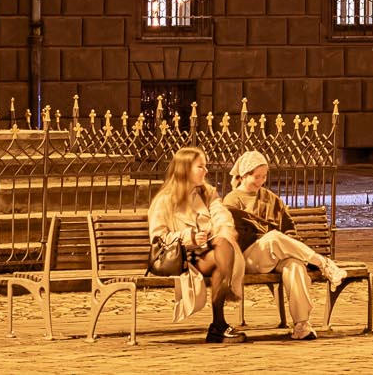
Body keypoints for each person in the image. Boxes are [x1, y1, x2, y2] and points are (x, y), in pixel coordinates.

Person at [223, 149, 354, 341]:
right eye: (257, 177)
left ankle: (302, 324)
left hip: (275, 254)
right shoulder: (232, 200)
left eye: (264, 176)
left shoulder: (271, 199)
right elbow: (236, 235)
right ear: (244, 175)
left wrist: (289, 243)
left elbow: (289, 229)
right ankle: (323, 263)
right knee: (274, 238)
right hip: (248, 258)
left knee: (294, 265)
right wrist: (264, 233)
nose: (261, 181)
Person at [147, 146, 246, 342]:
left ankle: (219, 325)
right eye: (200, 166)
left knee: (224, 245)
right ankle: (219, 323)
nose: (206, 171)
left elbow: (221, 215)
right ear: (185, 169)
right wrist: (189, 237)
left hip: (210, 253)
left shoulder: (207, 193)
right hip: (183, 259)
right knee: (223, 253)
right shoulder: (165, 200)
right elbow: (158, 239)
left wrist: (222, 230)